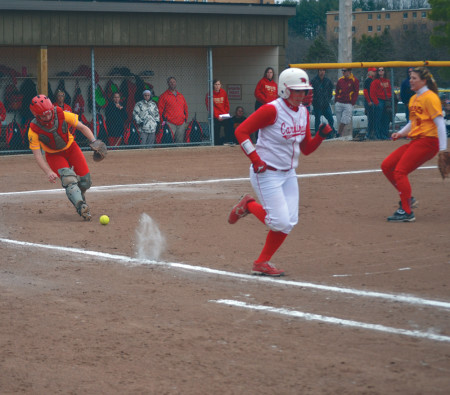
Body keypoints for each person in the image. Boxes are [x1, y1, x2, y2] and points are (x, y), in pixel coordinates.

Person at [227, 68, 333, 276]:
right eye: (297, 91)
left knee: (289, 222)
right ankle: (248, 204)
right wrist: (255, 159)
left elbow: (306, 149)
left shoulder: (303, 112)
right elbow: (240, 131)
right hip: (266, 172)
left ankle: (261, 262)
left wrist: (320, 135)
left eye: (305, 91)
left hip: (288, 173)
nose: (302, 95)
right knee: (279, 221)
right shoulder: (272, 110)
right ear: (285, 90)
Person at [381, 67, 448, 222]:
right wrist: (401, 133)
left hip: (429, 141)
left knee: (399, 172)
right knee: (387, 166)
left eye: (414, 78)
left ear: (424, 81)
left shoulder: (430, 97)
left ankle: (407, 211)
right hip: (416, 140)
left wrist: (443, 150)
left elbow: (440, 124)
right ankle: (408, 198)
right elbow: (413, 122)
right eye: (410, 77)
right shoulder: (414, 98)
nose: (410, 80)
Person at [28, 95, 107, 220]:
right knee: (69, 180)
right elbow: (37, 155)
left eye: (48, 113)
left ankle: (79, 195)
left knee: (86, 181)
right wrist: (48, 172)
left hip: (72, 148)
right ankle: (81, 206)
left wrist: (94, 141)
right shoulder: (34, 129)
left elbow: (82, 127)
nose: (47, 117)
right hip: (54, 155)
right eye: (43, 116)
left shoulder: (62, 114)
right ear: (36, 115)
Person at [157, 77, 188, 144]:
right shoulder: (164, 96)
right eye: (170, 82)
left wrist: (185, 119)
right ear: (168, 84)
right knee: (168, 142)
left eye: (174, 82)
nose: (172, 83)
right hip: (169, 123)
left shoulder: (180, 95)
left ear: (176, 83)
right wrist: (163, 122)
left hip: (181, 123)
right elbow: (160, 110)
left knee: (180, 143)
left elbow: (185, 108)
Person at [205, 79, 233, 145]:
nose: (217, 86)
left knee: (230, 123)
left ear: (220, 85)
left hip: (223, 115)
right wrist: (217, 116)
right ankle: (216, 143)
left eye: (218, 84)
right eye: (216, 84)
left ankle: (228, 141)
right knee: (216, 129)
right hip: (215, 116)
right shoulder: (209, 94)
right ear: (213, 85)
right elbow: (210, 107)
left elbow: (227, 104)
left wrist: (225, 114)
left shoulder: (223, 92)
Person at [335, 68, 359, 138]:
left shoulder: (354, 80)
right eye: (342, 71)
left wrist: (352, 102)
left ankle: (338, 133)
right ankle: (340, 136)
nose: (343, 72)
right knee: (339, 121)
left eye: (344, 71)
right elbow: (337, 91)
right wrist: (336, 100)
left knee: (345, 120)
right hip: (339, 102)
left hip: (348, 103)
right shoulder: (340, 80)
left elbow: (356, 92)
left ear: (349, 71)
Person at [311, 68, 335, 137]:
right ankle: (317, 135)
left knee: (331, 119)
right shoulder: (314, 81)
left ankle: (329, 134)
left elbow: (331, 91)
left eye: (323, 70)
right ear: (318, 71)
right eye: (320, 70)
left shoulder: (327, 81)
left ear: (325, 72)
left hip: (325, 104)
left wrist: (328, 99)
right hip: (317, 105)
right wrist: (314, 101)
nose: (322, 72)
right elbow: (311, 92)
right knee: (317, 121)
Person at [370, 67, 393, 140]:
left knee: (386, 119)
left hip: (386, 101)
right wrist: (376, 103)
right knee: (378, 119)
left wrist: (389, 100)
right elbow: (372, 93)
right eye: (379, 70)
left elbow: (390, 91)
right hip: (379, 101)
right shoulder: (375, 81)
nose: (381, 71)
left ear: (384, 71)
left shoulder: (388, 81)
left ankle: (384, 135)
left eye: (382, 70)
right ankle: (378, 135)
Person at [363, 67, 377, 139]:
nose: (375, 72)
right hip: (369, 102)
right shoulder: (368, 80)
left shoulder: (374, 80)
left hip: (373, 101)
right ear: (370, 72)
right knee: (371, 119)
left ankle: (372, 134)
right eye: (373, 71)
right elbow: (365, 92)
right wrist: (369, 101)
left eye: (375, 71)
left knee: (374, 119)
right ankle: (369, 134)